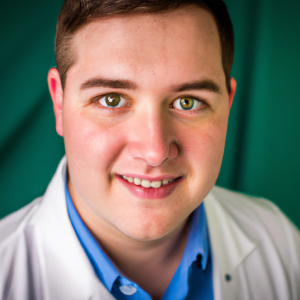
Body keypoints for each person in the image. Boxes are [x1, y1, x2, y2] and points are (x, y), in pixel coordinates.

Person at [0, 0, 299, 299]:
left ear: (228, 106)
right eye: (112, 100)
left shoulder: (283, 245)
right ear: (60, 103)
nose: (155, 152)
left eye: (187, 102)